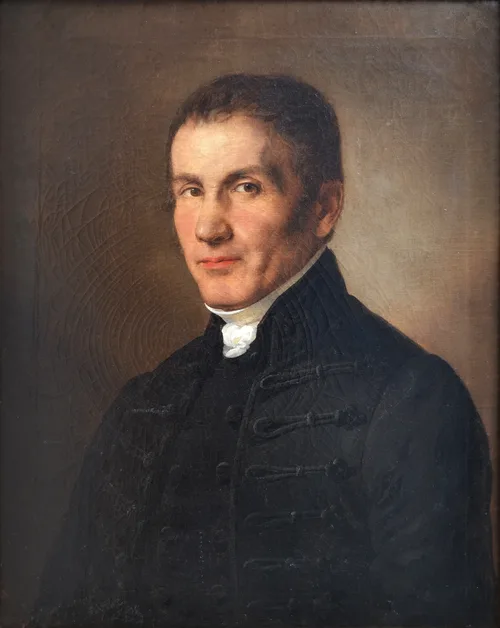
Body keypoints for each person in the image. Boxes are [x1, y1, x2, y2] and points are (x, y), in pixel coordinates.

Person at [33, 74, 494, 627]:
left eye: (246, 187)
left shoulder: (412, 398)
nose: (209, 228)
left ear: (324, 208)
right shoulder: (143, 403)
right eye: (191, 190)